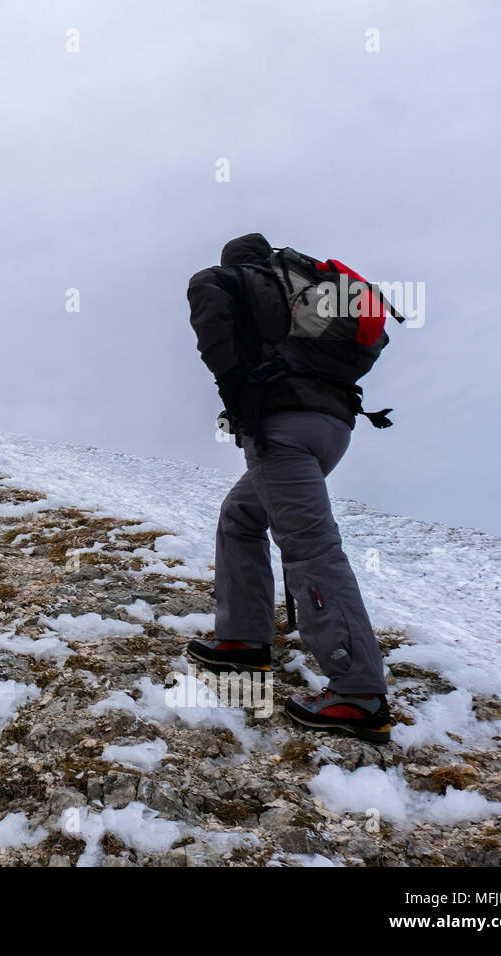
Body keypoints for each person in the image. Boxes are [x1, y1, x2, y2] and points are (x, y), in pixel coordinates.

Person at [185, 232, 391, 744]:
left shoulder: (221, 279)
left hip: (281, 425)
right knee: (241, 516)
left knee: (309, 548)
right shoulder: (305, 287)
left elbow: (214, 337)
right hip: (332, 427)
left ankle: (358, 692)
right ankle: (243, 642)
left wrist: (241, 400)